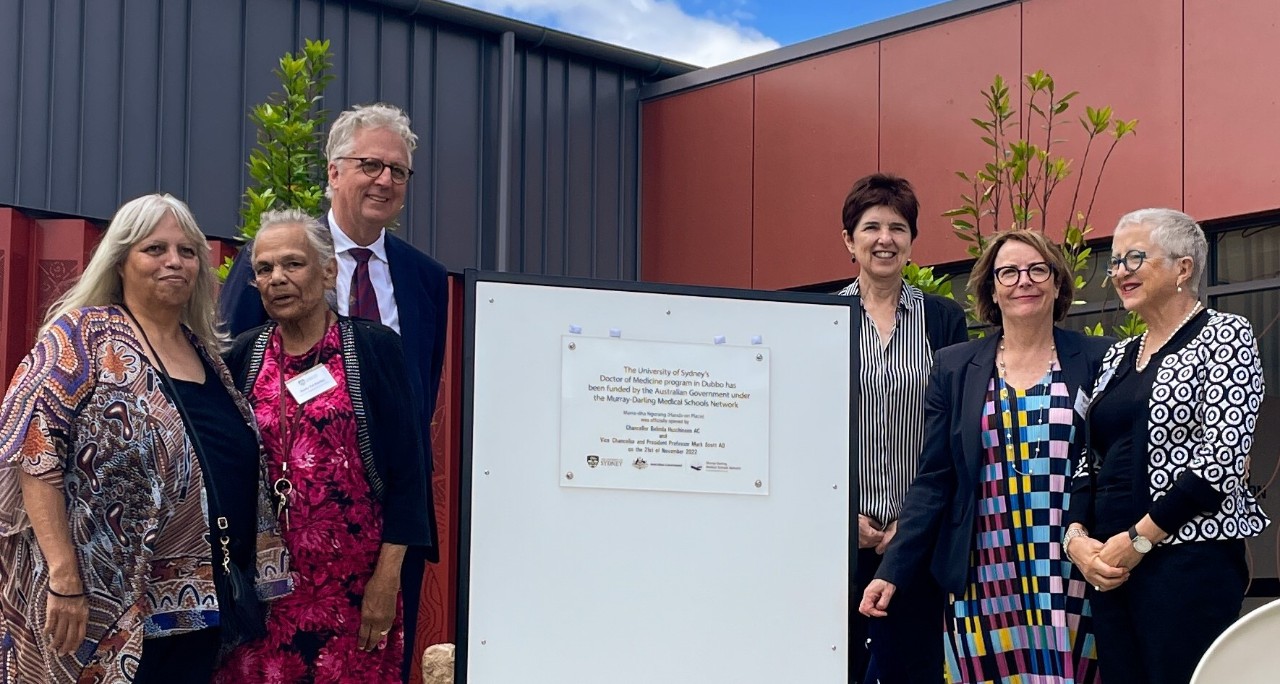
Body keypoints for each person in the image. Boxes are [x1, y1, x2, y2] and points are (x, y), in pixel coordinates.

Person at [0, 194, 286, 683]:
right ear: (121, 260)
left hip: (200, 602)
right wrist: (64, 576)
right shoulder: (80, 335)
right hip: (96, 601)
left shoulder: (206, 353)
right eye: (155, 249)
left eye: (187, 250)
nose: (174, 261)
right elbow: (31, 449)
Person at [220, 102, 447, 679]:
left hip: (379, 538)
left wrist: (398, 549)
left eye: (398, 171)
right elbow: (231, 383)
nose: (385, 180)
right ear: (334, 172)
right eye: (370, 164)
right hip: (273, 550)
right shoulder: (274, 259)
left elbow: (418, 414)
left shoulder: (423, 277)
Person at [860, 229, 1111, 684]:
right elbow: (934, 479)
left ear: (1057, 282)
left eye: (1038, 269)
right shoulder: (956, 366)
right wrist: (893, 570)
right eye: (1009, 272)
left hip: (1071, 571)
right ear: (992, 289)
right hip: (983, 577)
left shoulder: (1098, 358)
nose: (1024, 281)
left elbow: (1112, 462)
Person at [1064, 208, 1269, 683]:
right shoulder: (1117, 355)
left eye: (1135, 257)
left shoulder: (1226, 337)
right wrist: (1078, 541)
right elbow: (1084, 459)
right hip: (1108, 567)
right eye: (1115, 262)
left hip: (1185, 563)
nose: (1119, 272)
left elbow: (1221, 461)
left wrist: (1138, 540)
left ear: (1183, 267)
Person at [836, 173, 968, 683]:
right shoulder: (826, 315)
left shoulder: (942, 319)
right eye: (871, 227)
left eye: (898, 227)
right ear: (849, 241)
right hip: (842, 536)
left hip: (918, 539)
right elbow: (805, 433)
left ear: (912, 241)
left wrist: (908, 528)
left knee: (912, 667)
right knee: (842, 665)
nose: (884, 239)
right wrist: (847, 517)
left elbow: (954, 431)